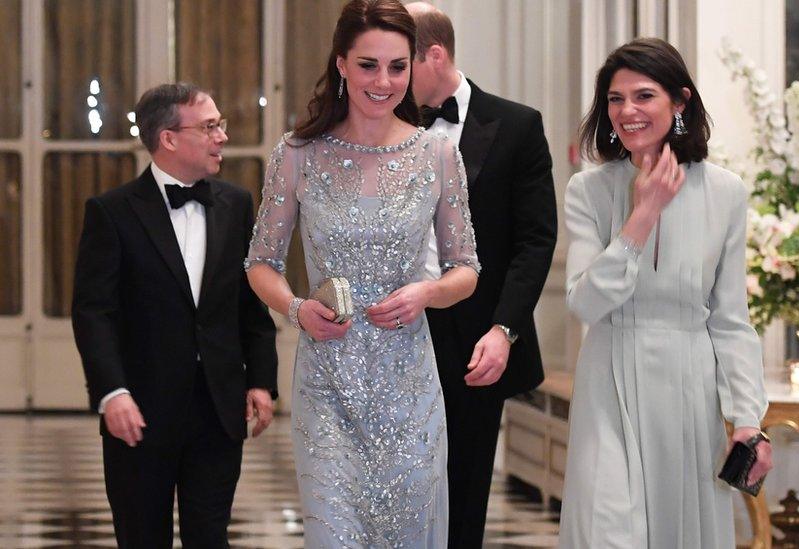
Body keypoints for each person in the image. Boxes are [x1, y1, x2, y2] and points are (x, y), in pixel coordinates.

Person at [244, 0, 480, 546]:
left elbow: (465, 268)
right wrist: (298, 308)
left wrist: (427, 292)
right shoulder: (298, 153)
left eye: (398, 66)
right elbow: (261, 262)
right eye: (369, 64)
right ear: (342, 64)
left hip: (409, 383)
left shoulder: (438, 154)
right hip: (327, 381)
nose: (384, 80)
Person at [557, 38, 772, 548]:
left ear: (680, 102)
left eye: (643, 96)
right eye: (615, 99)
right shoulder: (588, 189)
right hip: (607, 380)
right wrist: (643, 214)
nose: (627, 111)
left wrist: (748, 419)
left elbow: (730, 319)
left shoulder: (725, 192)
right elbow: (585, 301)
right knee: (607, 529)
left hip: (687, 384)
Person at [72, 83, 278, 549]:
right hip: (140, 412)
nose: (222, 136)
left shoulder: (236, 204)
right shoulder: (111, 212)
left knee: (211, 538)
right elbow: (93, 313)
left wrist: (261, 380)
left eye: (220, 125)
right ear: (168, 138)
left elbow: (250, 304)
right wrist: (112, 392)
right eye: (209, 127)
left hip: (217, 409)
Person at [405, 3, 558, 547]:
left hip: (477, 338)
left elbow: (536, 241)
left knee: (463, 491)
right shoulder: (384, 125)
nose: (392, 77)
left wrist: (505, 330)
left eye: (403, 61)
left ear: (435, 55)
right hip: (398, 331)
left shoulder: (518, 125)